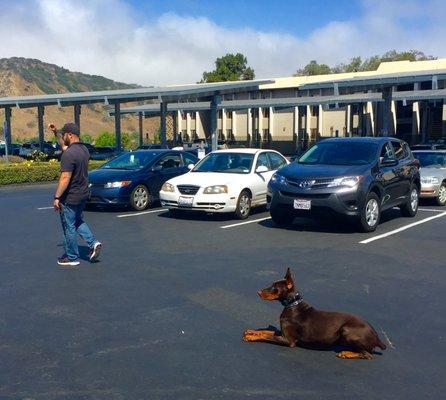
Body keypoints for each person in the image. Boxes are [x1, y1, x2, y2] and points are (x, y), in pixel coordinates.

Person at [50, 122, 102, 266]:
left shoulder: (69, 154)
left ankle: (72, 257)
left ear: (70, 135)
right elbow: (63, 145)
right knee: (77, 221)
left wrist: (57, 197)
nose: (63, 137)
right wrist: (56, 133)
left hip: (70, 196)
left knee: (69, 226)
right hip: (83, 194)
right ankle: (93, 243)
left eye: (64, 134)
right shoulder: (84, 150)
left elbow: (65, 178)